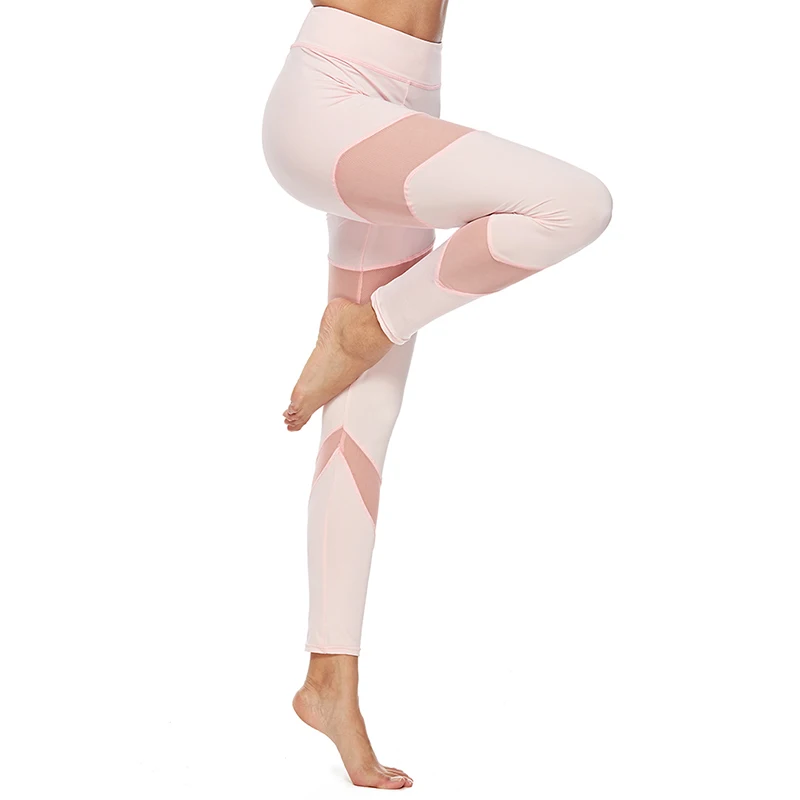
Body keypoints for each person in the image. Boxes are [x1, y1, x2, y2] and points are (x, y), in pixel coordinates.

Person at [261, 0, 612, 789]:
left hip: (407, 94)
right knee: (574, 203)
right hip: (330, 101)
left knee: (364, 414)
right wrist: (380, 322)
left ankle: (329, 680)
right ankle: (369, 327)